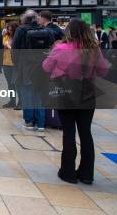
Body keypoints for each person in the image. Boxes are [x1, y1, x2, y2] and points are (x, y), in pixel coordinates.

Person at [42, 18, 109, 185]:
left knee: (69, 132)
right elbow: (103, 70)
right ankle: (87, 174)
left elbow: (46, 67)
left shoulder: (60, 48)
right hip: (87, 93)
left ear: (69, 32)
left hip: (65, 94)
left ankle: (68, 172)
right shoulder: (94, 49)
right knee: (86, 133)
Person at [13, 9, 54, 131]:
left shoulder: (21, 30)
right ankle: (41, 123)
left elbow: (15, 49)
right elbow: (52, 48)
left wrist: (17, 63)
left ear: (24, 19)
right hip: (43, 66)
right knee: (40, 94)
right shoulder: (46, 31)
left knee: (27, 93)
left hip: (26, 66)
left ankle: (29, 121)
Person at [2, 21, 19, 108]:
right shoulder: (6, 36)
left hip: (16, 63)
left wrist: (9, 46)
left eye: (11, 30)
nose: (10, 31)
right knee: (10, 83)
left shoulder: (18, 38)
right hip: (6, 62)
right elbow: (3, 44)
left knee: (17, 83)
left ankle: (20, 102)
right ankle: (12, 101)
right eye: (9, 30)